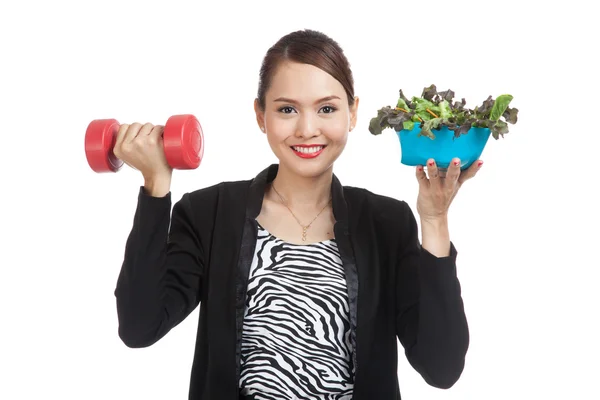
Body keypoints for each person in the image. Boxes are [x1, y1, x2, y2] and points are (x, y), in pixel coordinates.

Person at [112, 29, 478, 400]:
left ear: (352, 113)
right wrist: (156, 187)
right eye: (287, 109)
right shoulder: (209, 212)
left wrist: (434, 222)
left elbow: (442, 368)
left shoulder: (386, 222)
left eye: (327, 109)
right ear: (261, 115)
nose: (307, 130)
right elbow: (139, 328)